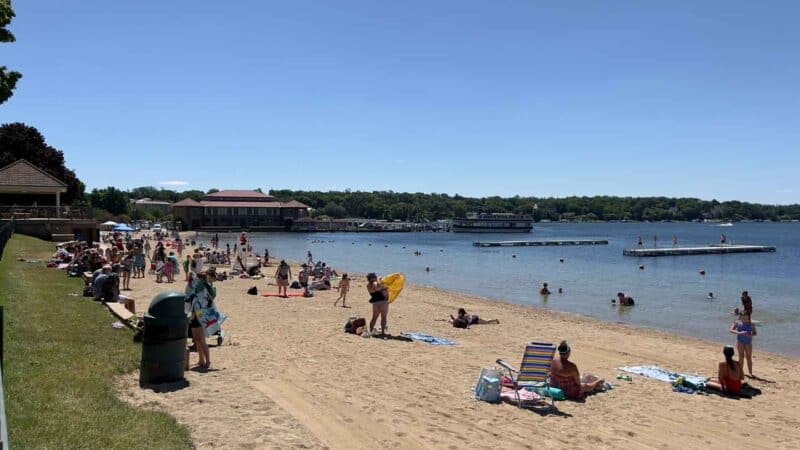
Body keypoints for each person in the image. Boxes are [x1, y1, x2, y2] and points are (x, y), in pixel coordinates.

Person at [189, 269, 215, 371]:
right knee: (196, 340)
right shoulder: (196, 289)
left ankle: (207, 361)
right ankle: (201, 360)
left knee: (202, 340)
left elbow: (211, 298)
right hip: (194, 314)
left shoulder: (205, 289)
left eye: (198, 279)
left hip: (201, 315)